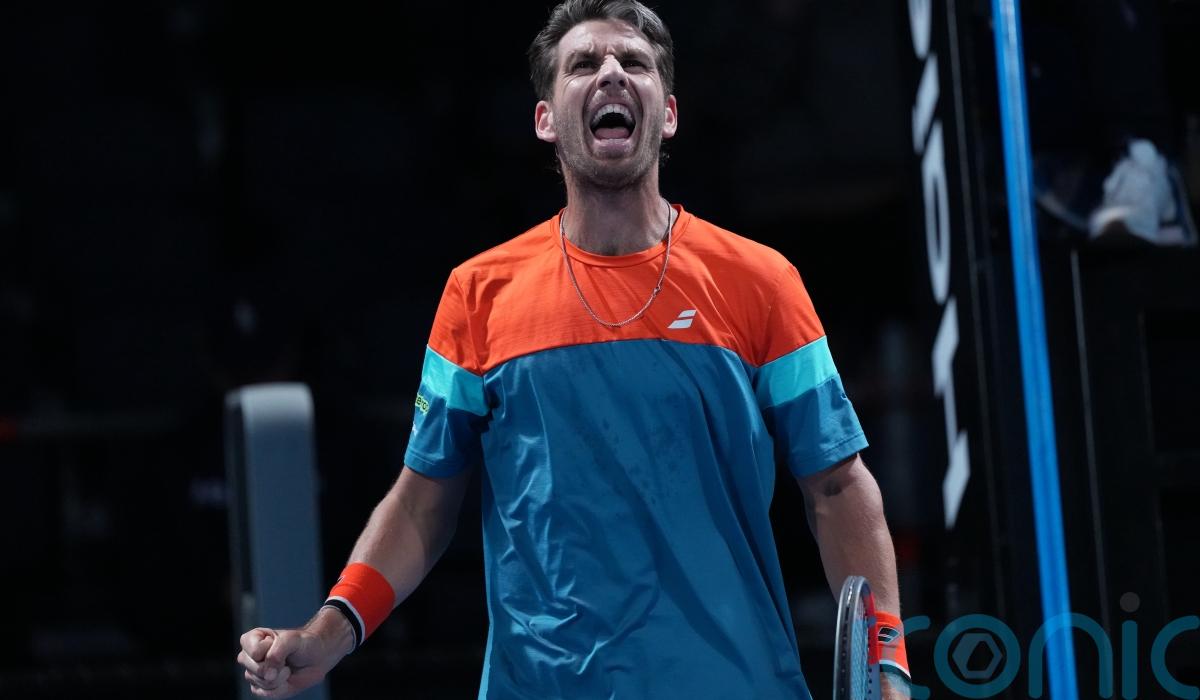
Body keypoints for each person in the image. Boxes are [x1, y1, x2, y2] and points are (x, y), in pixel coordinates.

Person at [237, 1, 910, 698]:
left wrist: (886, 666)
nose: (611, 73)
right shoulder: (478, 293)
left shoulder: (761, 281)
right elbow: (421, 503)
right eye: (584, 64)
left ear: (668, 114)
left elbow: (838, 486)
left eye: (635, 63)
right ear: (546, 120)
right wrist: (327, 633)